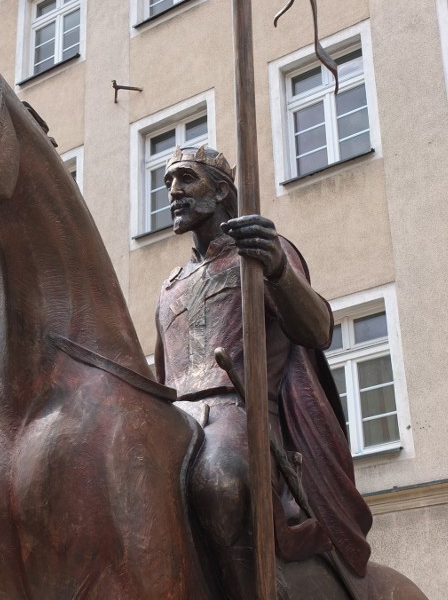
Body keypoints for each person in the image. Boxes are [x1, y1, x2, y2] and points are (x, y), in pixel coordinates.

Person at [154, 146, 372, 597]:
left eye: (186, 179)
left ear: (221, 192)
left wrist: (277, 269)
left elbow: (317, 329)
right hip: (178, 421)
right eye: (168, 182)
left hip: (242, 414)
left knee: (221, 477)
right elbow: (163, 377)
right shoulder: (171, 284)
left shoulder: (260, 254)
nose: (173, 191)